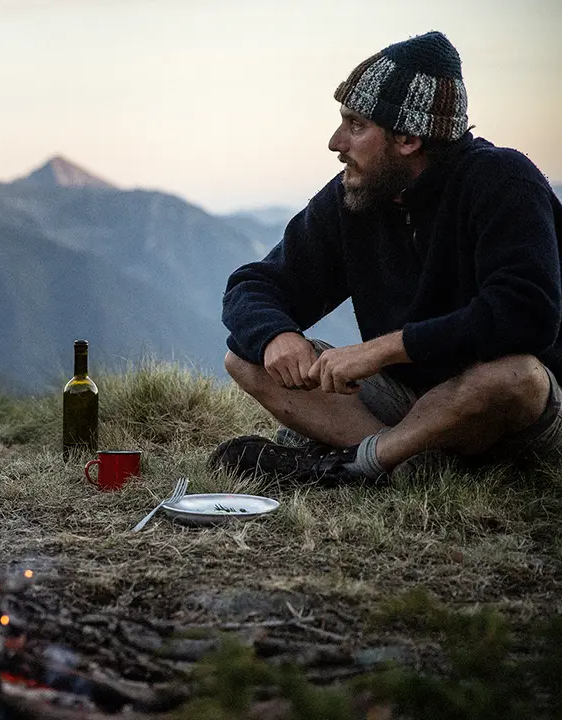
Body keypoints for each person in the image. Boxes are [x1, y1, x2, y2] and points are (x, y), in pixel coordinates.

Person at [213, 31, 562, 485]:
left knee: (515, 375)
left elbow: (527, 313)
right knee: (246, 356)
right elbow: (254, 285)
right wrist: (277, 335)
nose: (336, 142)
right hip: (408, 401)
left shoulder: (504, 181)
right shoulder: (354, 198)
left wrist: (381, 350)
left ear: (408, 138)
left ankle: (356, 464)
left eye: (356, 125)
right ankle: (403, 466)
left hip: (510, 409)